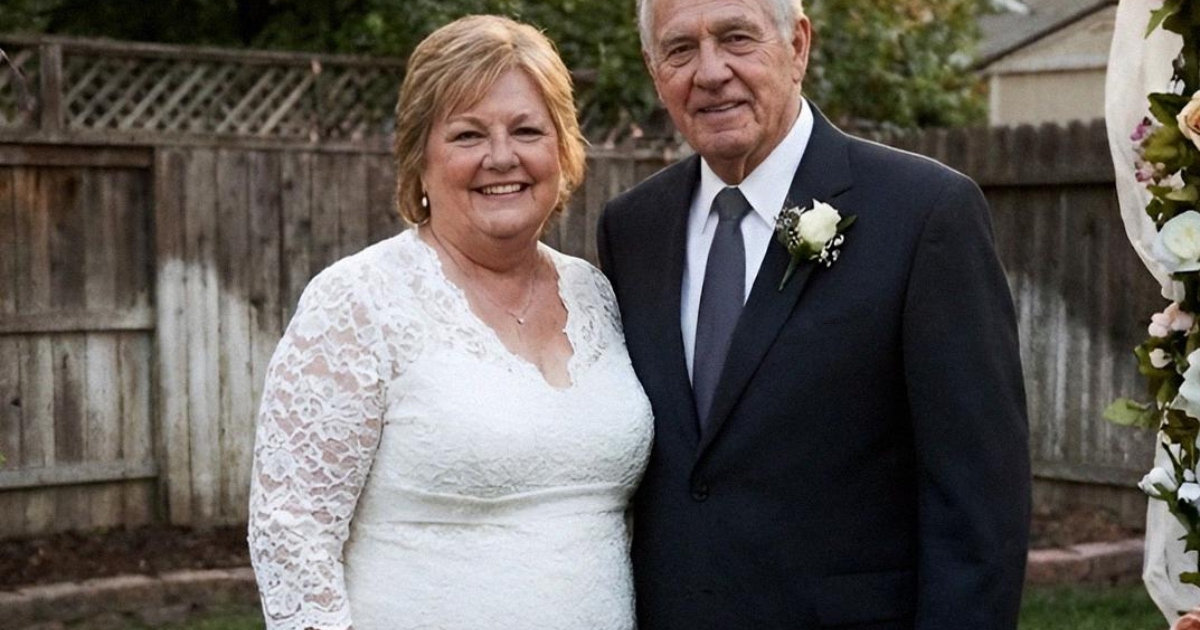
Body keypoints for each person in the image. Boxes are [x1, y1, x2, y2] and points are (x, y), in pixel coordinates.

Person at [598, 0, 1031, 628]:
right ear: (653, 69)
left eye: (736, 38)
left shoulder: (924, 214)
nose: (710, 72)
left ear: (798, 45)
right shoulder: (633, 228)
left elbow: (979, 505)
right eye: (680, 49)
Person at [247, 14, 653, 630]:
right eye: (468, 135)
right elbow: (291, 530)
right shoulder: (358, 301)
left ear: (563, 150)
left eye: (527, 130)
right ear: (419, 157)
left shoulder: (597, 294)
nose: (502, 157)